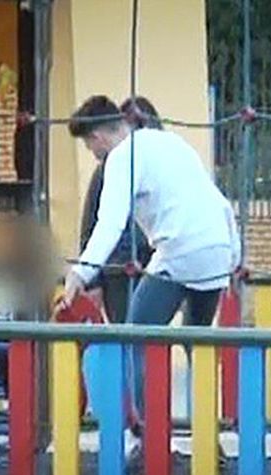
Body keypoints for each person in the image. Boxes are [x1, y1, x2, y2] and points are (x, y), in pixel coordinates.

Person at [60, 95, 240, 458]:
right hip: (218, 250)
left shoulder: (121, 158)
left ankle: (149, 438)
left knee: (136, 337)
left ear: (98, 137)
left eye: (90, 147)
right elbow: (218, 201)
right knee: (197, 344)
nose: (94, 155)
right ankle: (209, 442)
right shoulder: (171, 143)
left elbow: (109, 224)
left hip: (179, 251)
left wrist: (81, 272)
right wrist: (234, 258)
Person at [77, 96, 162, 324]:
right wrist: (92, 281)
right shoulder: (108, 170)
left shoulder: (157, 167)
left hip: (153, 266)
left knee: (153, 333)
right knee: (127, 331)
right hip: (118, 272)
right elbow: (91, 226)